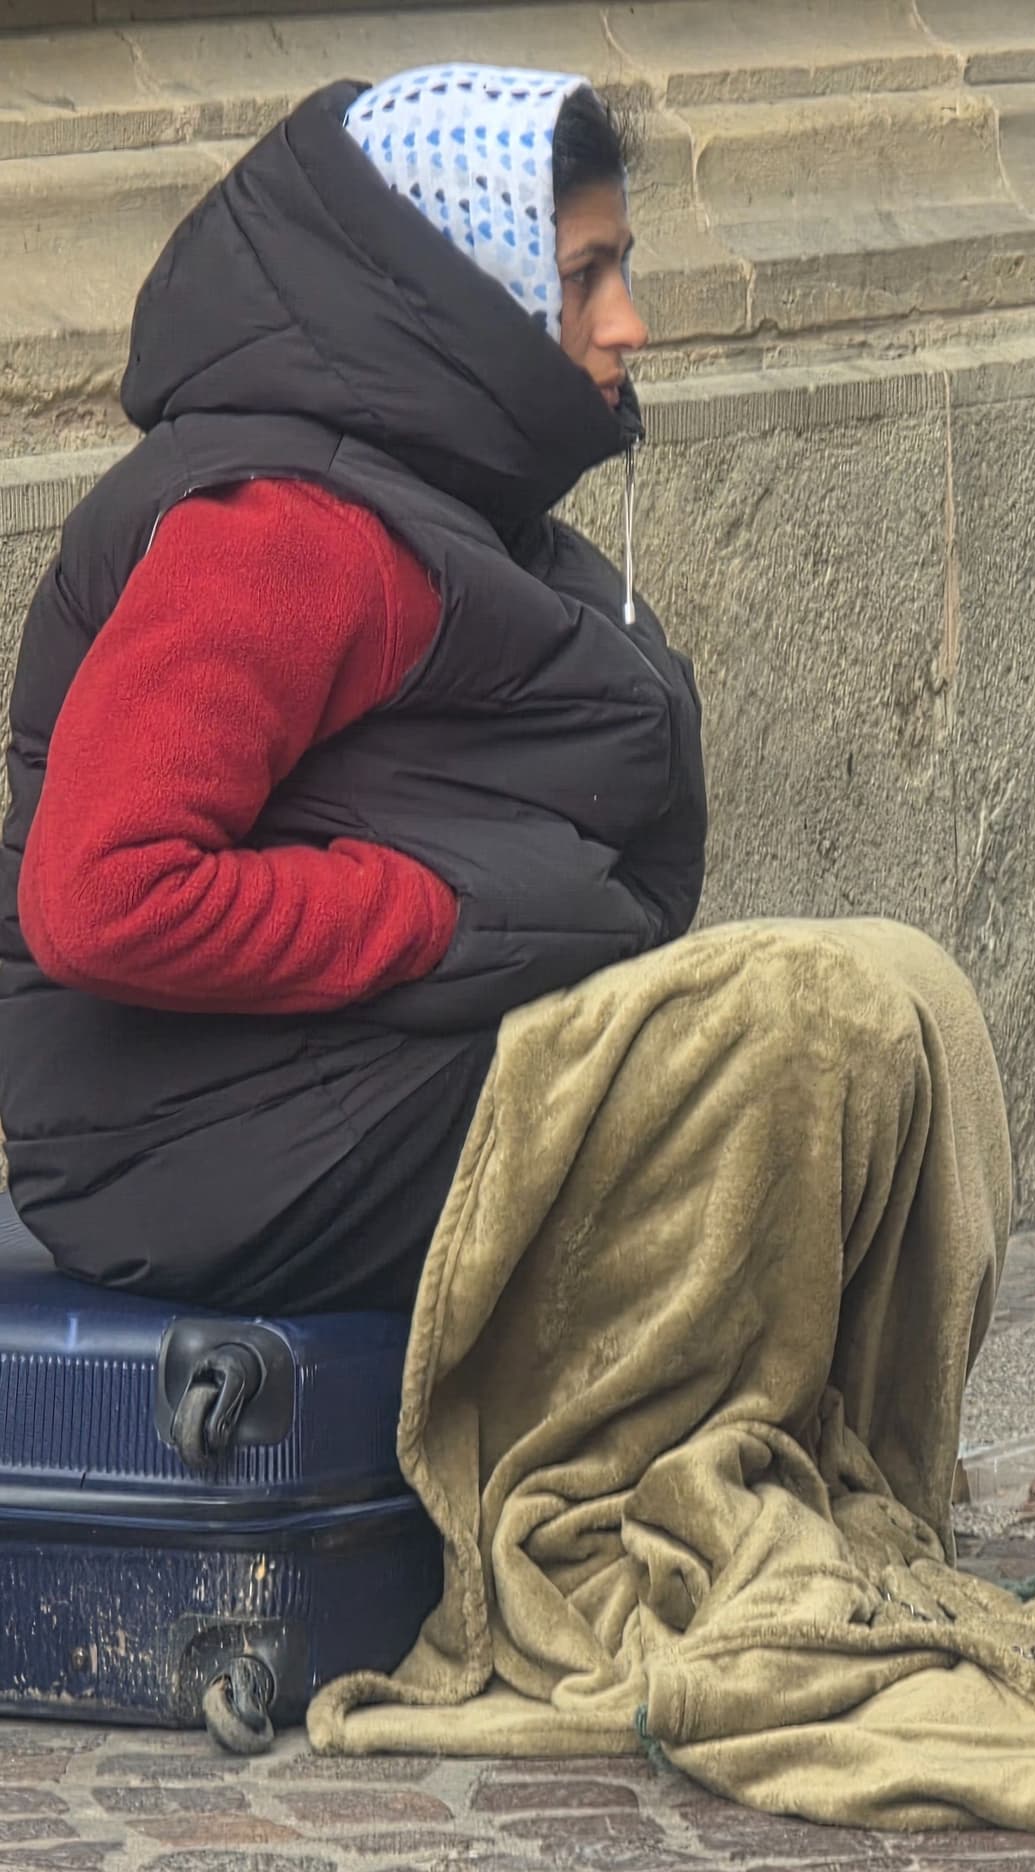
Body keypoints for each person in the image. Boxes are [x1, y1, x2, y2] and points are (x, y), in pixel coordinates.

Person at [0, 66, 708, 1311]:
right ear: (470, 288)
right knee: (799, 1053)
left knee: (863, 1007)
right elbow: (99, 895)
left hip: (337, 1084)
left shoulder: (439, 492)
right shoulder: (284, 531)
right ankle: (651, 1497)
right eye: (586, 276)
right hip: (211, 1152)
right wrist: (439, 918)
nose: (628, 323)